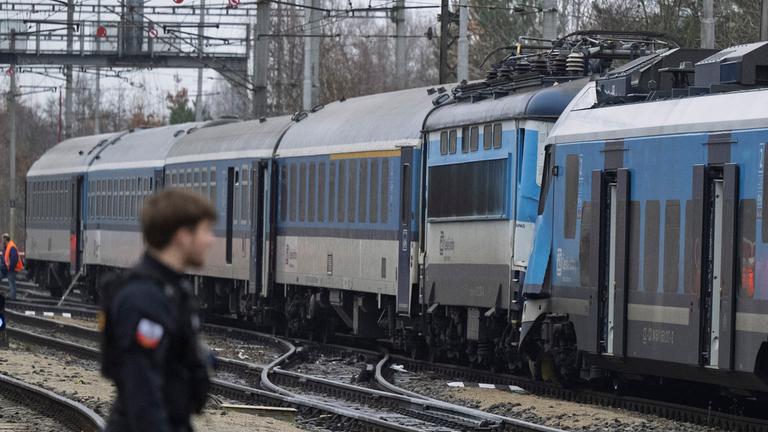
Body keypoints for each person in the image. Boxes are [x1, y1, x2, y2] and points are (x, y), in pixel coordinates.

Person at [101, 189, 217, 432]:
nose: (211, 240)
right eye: (206, 231)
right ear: (182, 236)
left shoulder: (173, 291)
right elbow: (143, 394)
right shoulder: (143, 299)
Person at [1, 234, 22, 300]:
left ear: (5, 239)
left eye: (2, 239)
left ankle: (13, 297)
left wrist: (10, 269)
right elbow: (4, 259)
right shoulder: (6, 247)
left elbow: (14, 259)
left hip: (11, 270)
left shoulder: (12, 247)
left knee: (11, 283)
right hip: (6, 269)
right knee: (11, 282)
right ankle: (12, 296)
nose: (1, 241)